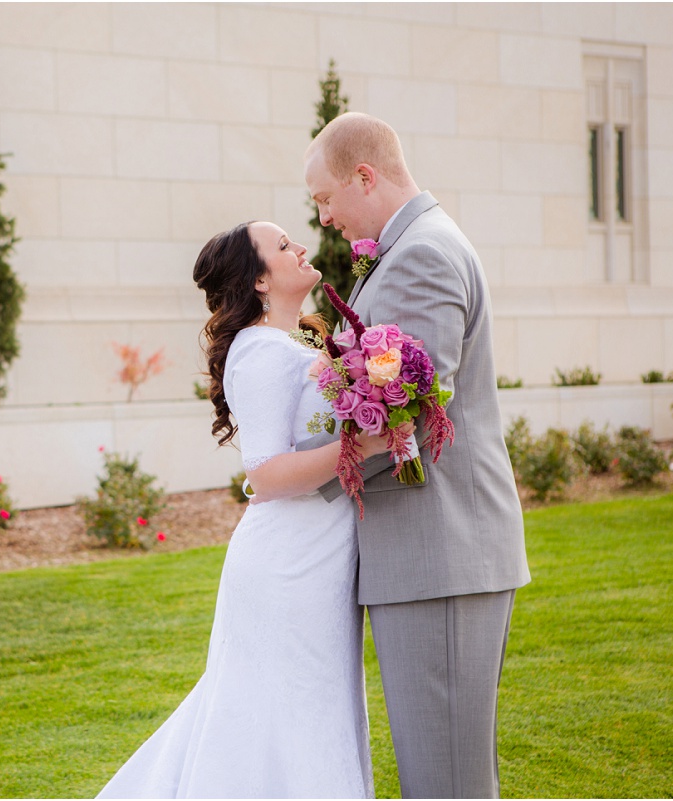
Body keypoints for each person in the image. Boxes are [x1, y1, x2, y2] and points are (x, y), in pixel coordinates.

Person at [97, 221, 409, 799]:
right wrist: (361, 446)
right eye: (284, 246)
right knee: (279, 709)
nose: (301, 248)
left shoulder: (300, 344)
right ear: (261, 279)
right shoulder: (262, 353)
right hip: (288, 565)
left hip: (319, 559)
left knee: (313, 702)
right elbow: (264, 472)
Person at [296, 111, 531, 798]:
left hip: (441, 558)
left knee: (446, 783)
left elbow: (415, 415)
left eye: (324, 198)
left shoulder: (423, 252)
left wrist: (300, 470)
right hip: (431, 560)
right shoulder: (409, 248)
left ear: (364, 176)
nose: (325, 216)